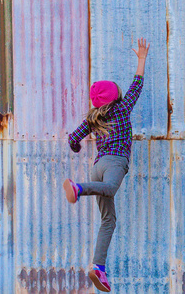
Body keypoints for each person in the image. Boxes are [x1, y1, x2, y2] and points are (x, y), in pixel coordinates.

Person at [63, 38, 149, 293]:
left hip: (98, 166)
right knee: (110, 188)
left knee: (108, 220)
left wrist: (78, 147)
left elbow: (73, 139)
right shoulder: (122, 108)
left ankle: (98, 267)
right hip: (114, 164)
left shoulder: (93, 118)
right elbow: (137, 85)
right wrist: (141, 59)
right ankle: (79, 188)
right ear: (115, 97)